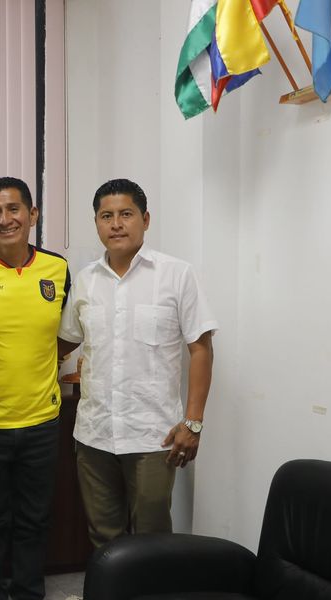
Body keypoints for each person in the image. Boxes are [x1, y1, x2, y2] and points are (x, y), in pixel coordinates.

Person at [58, 178, 217, 548]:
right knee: (103, 537)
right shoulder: (85, 280)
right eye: (106, 216)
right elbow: (66, 340)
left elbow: (201, 349)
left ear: (145, 219)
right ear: (96, 223)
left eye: (126, 214)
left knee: (152, 538)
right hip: (94, 434)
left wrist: (193, 422)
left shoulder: (176, 274)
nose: (116, 224)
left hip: (153, 435)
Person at [0, 177, 70, 600]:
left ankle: (29, 592)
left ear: (33, 215)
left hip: (42, 421)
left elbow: (66, 333)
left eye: (14, 209)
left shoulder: (57, 268)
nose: (5, 219)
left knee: (34, 518)